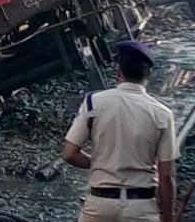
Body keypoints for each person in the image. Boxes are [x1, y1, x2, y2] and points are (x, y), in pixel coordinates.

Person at [63, 40, 178, 222]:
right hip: (141, 208)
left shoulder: (94, 103)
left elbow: (70, 154)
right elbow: (166, 175)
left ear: (119, 73)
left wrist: (103, 165)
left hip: (100, 206)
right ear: (148, 75)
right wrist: (169, 216)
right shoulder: (163, 114)